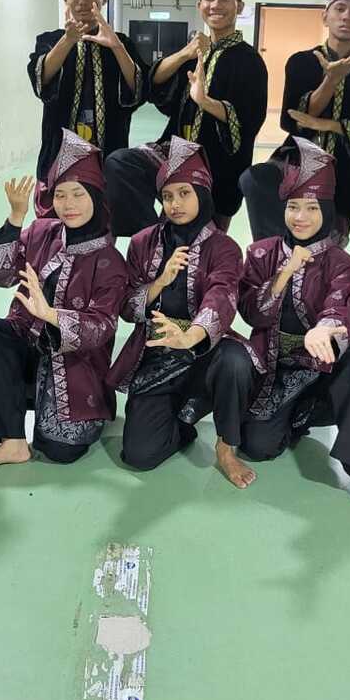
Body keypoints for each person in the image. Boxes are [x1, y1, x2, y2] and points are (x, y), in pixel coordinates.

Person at [234, 138, 350, 530]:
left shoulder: (342, 262)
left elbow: (339, 306)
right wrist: (285, 274)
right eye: (293, 206)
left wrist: (323, 332)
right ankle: (295, 416)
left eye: (312, 208)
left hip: (325, 366)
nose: (300, 217)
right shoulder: (260, 253)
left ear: (326, 211)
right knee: (258, 447)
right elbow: (251, 313)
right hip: (276, 368)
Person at [0, 130, 128, 468]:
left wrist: (51, 315)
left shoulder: (110, 261)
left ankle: (59, 410)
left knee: (60, 450)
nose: (68, 204)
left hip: (75, 364)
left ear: (96, 196)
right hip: (27, 344)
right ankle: (11, 442)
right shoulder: (41, 231)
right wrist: (15, 218)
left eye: (78, 194)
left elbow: (102, 327)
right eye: (61, 195)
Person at [108, 137, 256, 477]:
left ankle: (226, 447)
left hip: (205, 353)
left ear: (202, 193)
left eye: (184, 193)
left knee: (235, 360)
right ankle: (183, 421)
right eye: (167, 196)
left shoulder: (224, 247)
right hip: (157, 354)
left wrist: (190, 335)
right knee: (139, 455)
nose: (175, 204)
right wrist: (159, 282)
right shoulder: (143, 242)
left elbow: (222, 296)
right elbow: (126, 308)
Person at [104, 0, 267, 236]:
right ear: (200, 4)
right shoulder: (194, 52)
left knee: (202, 245)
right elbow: (154, 87)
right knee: (122, 162)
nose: (216, 5)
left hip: (217, 167)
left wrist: (205, 102)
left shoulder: (250, 61)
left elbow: (249, 121)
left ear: (239, 6)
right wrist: (185, 54)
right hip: (174, 153)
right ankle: (152, 238)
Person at [240, 0, 350, 243]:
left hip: (347, 172)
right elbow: (291, 120)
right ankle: (271, 253)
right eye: (339, 8)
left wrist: (327, 124)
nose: (346, 16)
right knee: (255, 179)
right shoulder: (301, 62)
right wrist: (330, 81)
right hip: (296, 161)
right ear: (325, 16)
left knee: (328, 249)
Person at [27, 0, 148, 205]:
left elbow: (138, 89)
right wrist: (68, 40)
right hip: (59, 151)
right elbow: (41, 82)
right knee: (60, 222)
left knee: (106, 219)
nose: (83, 1)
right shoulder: (50, 40)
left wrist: (116, 46)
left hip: (109, 151)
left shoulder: (122, 43)